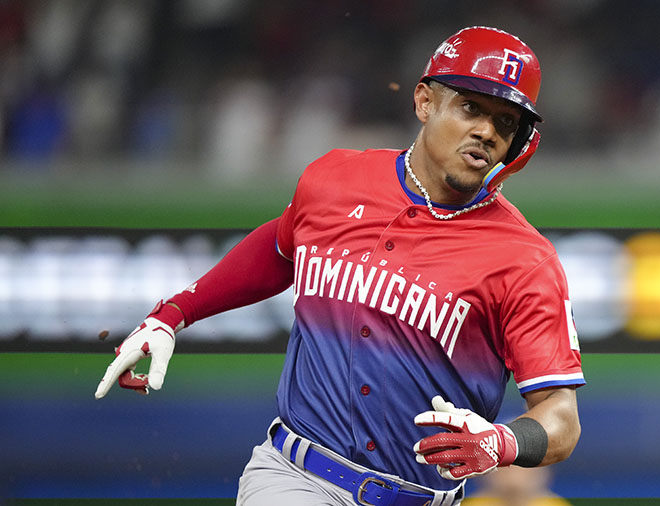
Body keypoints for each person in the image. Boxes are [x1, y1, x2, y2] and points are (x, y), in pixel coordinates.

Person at [95, 26, 584, 506]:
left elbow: (561, 415)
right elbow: (281, 247)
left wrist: (502, 442)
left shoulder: (524, 259)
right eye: (471, 107)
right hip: (295, 479)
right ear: (424, 101)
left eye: (506, 122)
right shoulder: (336, 179)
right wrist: (174, 313)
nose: (486, 131)